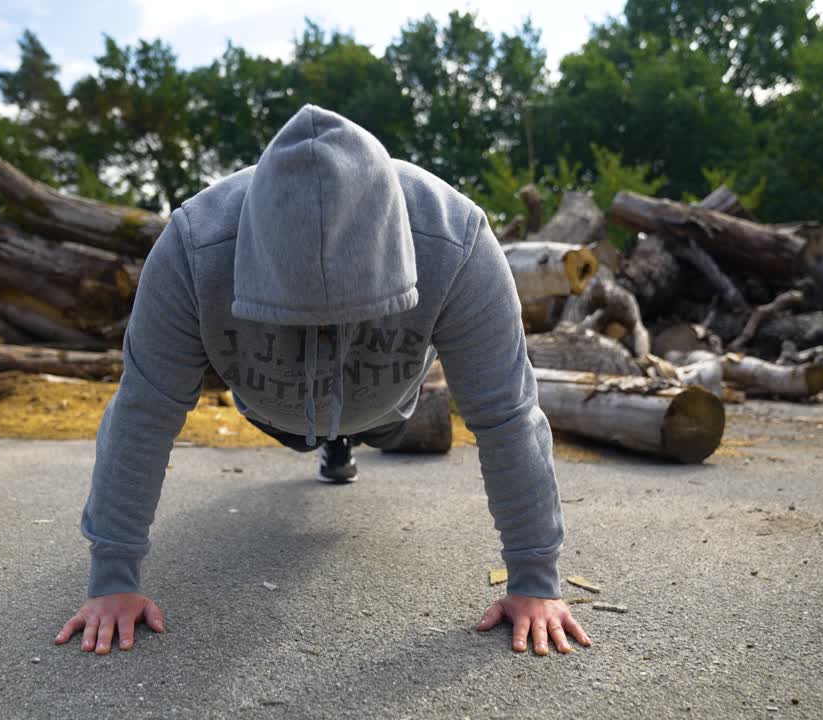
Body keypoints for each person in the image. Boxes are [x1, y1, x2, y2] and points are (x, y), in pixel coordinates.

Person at [55, 105, 590, 657]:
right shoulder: (194, 249)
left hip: (387, 405)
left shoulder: (455, 241)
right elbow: (144, 409)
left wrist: (534, 580)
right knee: (301, 431)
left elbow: (507, 412)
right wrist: (112, 579)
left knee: (382, 427)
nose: (327, 333)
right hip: (270, 405)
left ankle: (345, 442)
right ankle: (327, 440)